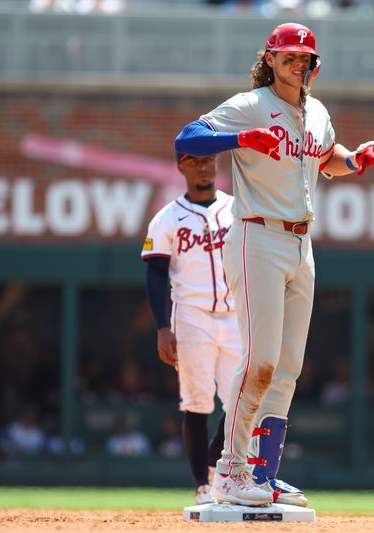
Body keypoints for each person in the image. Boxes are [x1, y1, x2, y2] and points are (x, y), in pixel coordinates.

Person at [174, 22, 374, 507]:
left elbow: (325, 158)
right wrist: (243, 138)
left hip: (300, 241)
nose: (298, 61)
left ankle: (263, 475)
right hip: (257, 235)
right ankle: (228, 472)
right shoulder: (251, 105)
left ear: (315, 64)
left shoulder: (315, 111)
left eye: (305, 56)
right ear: (269, 58)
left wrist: (355, 160)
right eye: (288, 54)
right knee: (260, 361)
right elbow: (187, 138)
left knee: (287, 368)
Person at [140, 151, 241, 505]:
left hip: (235, 314)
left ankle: (220, 465)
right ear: (181, 167)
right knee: (196, 401)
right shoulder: (167, 218)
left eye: (208, 160)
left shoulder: (236, 208)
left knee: (242, 402)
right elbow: (154, 272)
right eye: (194, 161)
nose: (203, 167)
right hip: (192, 315)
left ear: (216, 164)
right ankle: (202, 485)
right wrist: (162, 328)